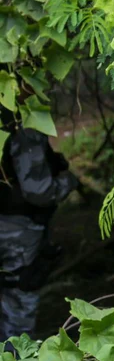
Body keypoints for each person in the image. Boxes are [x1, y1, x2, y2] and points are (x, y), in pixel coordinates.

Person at [0, 106, 77, 341]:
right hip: (16, 227)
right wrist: (67, 181)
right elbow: (39, 191)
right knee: (19, 291)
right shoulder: (22, 120)